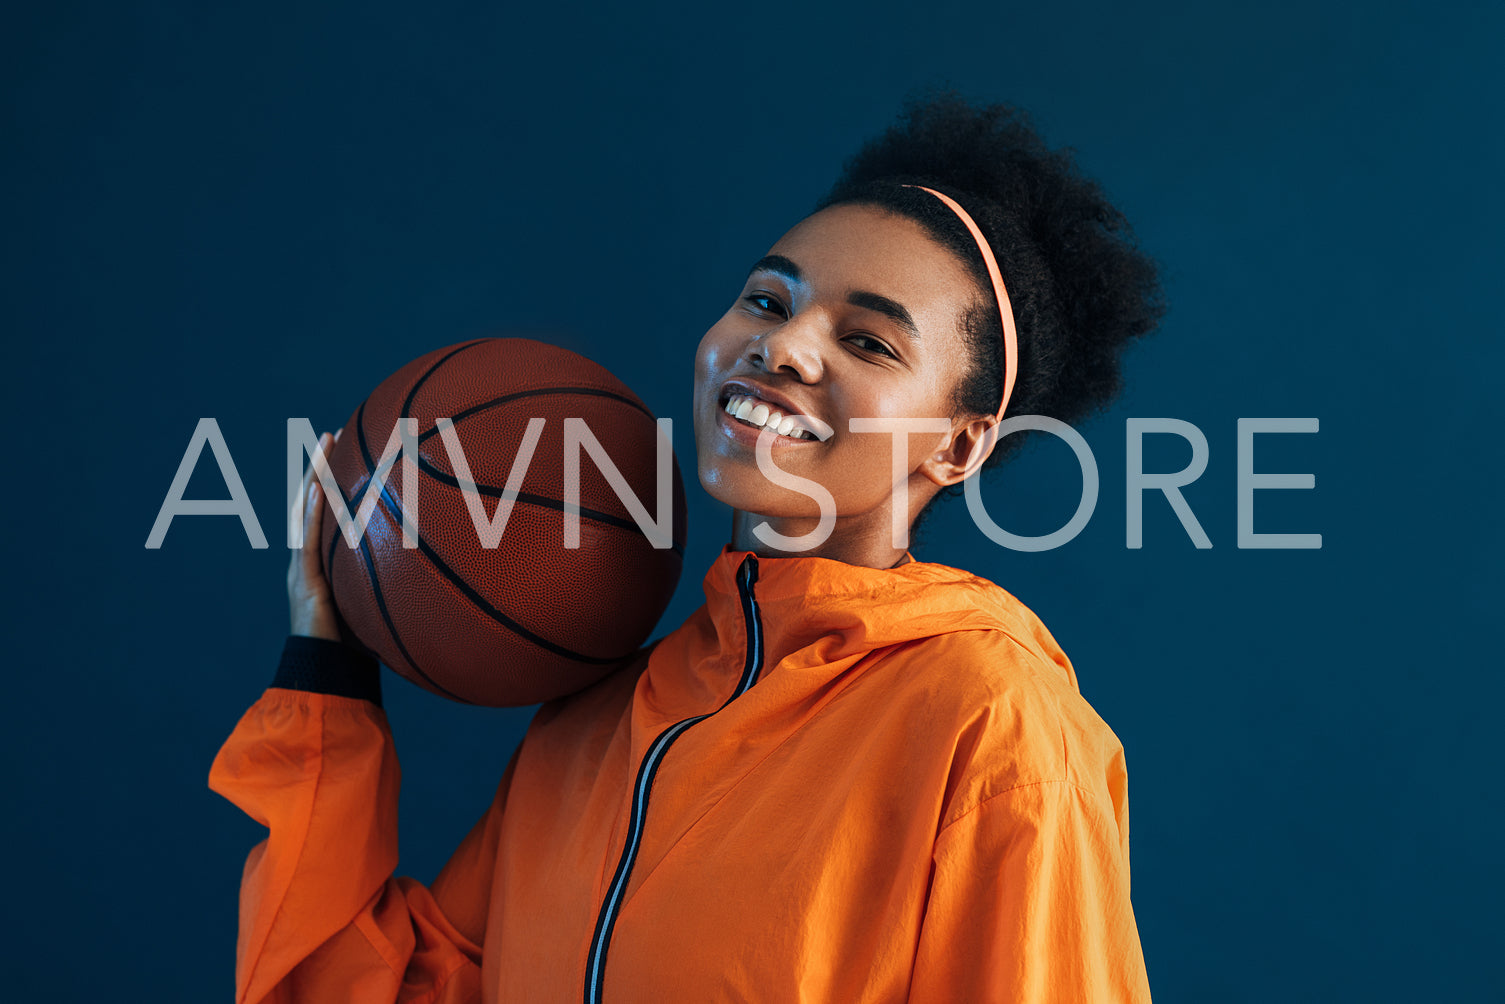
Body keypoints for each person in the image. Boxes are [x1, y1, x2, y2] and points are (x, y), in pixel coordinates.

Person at [211, 91, 1165, 1003]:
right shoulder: (594, 721)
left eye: (870, 343)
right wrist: (328, 675)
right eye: (764, 299)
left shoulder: (989, 724)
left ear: (959, 444)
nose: (782, 346)